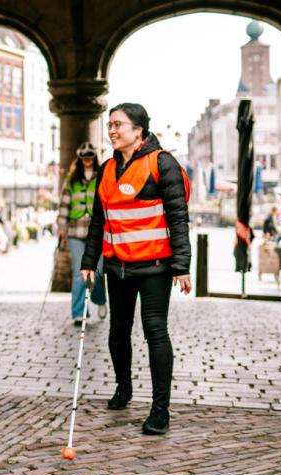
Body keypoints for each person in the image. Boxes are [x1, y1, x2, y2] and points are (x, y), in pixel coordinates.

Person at [81, 103, 191, 436]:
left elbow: (178, 217)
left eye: (118, 125)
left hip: (155, 267)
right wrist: (89, 262)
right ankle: (123, 387)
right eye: (110, 125)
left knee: (155, 332)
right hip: (118, 267)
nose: (112, 130)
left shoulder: (162, 164)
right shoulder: (106, 169)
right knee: (118, 331)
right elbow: (99, 220)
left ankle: (160, 410)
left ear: (138, 131)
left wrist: (181, 266)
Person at [57, 142, 108, 324]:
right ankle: (79, 312)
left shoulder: (102, 177)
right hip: (75, 232)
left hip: (98, 232)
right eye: (84, 157)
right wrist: (61, 226)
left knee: (100, 272)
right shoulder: (72, 180)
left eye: (90, 157)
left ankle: (100, 299)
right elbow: (64, 205)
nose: (87, 160)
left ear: (94, 158)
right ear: (80, 159)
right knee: (80, 273)